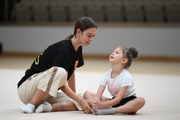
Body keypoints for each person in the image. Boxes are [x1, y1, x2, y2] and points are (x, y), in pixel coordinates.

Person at [17, 17, 97, 114]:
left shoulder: (78, 49)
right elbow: (62, 82)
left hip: (45, 93)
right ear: (78, 32)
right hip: (27, 89)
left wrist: (75, 98)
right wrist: (80, 101)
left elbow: (71, 73)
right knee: (61, 72)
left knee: (81, 97)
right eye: (89, 35)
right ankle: (31, 104)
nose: (91, 39)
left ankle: (48, 107)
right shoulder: (63, 49)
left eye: (93, 36)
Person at [83, 46, 145, 115]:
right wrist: (95, 102)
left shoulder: (126, 76)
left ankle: (111, 111)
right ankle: (102, 108)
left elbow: (119, 99)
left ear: (124, 60)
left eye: (117, 53)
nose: (112, 54)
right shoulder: (107, 74)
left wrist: (102, 105)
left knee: (141, 101)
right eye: (113, 52)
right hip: (114, 101)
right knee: (87, 93)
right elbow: (98, 94)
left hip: (128, 102)